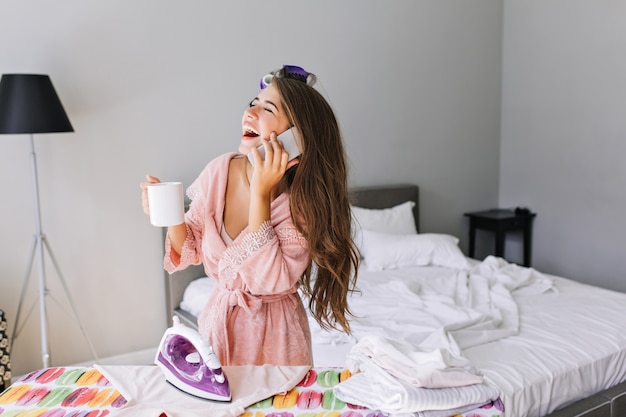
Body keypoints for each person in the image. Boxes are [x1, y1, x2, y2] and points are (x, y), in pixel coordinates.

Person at [140, 65, 360, 367]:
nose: (250, 113)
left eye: (267, 109)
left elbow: (269, 281)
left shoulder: (304, 204)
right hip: (219, 330)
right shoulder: (219, 171)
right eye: (252, 103)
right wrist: (171, 215)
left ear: (296, 137)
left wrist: (260, 194)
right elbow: (190, 246)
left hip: (277, 341)